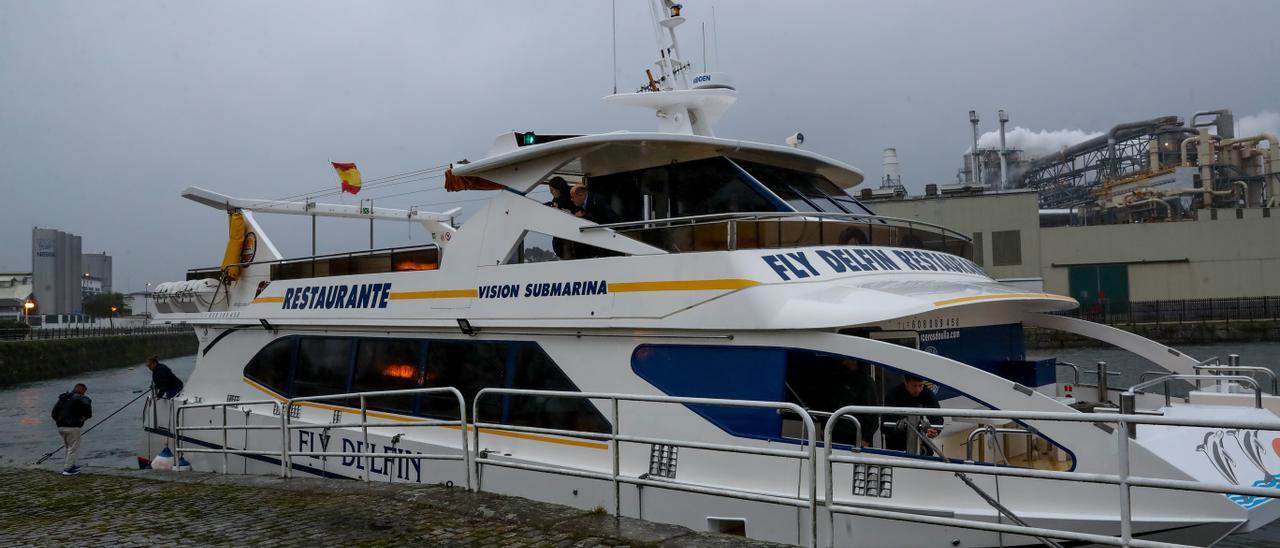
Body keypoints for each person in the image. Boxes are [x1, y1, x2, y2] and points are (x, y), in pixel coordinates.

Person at [822, 359, 879, 448]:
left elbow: (873, 414)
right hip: (834, 433)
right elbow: (827, 405)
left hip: (856, 437)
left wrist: (866, 438)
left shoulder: (867, 382)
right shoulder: (835, 378)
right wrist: (823, 427)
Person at [883, 374, 944, 453]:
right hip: (896, 441)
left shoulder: (926, 393)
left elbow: (936, 415)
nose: (918, 389)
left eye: (920, 385)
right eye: (914, 386)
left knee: (928, 452)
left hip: (918, 437)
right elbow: (886, 422)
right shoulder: (893, 394)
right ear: (906, 382)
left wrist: (934, 430)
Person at [51, 383, 92, 475]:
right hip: (73, 427)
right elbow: (88, 407)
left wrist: (59, 421)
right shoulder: (80, 398)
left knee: (68, 448)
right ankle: (68, 469)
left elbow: (53, 413)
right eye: (84, 391)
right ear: (81, 390)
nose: (84, 393)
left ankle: (72, 466)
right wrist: (83, 418)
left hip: (61, 427)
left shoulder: (63, 398)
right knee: (73, 448)